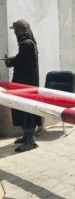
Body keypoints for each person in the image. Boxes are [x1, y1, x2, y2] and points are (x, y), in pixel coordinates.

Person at [5, 19, 41, 153]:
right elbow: (22, 59)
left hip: (25, 84)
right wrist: (13, 60)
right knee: (22, 109)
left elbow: (20, 60)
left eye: (16, 30)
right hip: (23, 83)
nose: (15, 33)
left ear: (20, 31)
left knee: (26, 110)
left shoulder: (26, 44)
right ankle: (26, 135)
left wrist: (11, 61)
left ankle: (30, 140)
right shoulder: (27, 44)